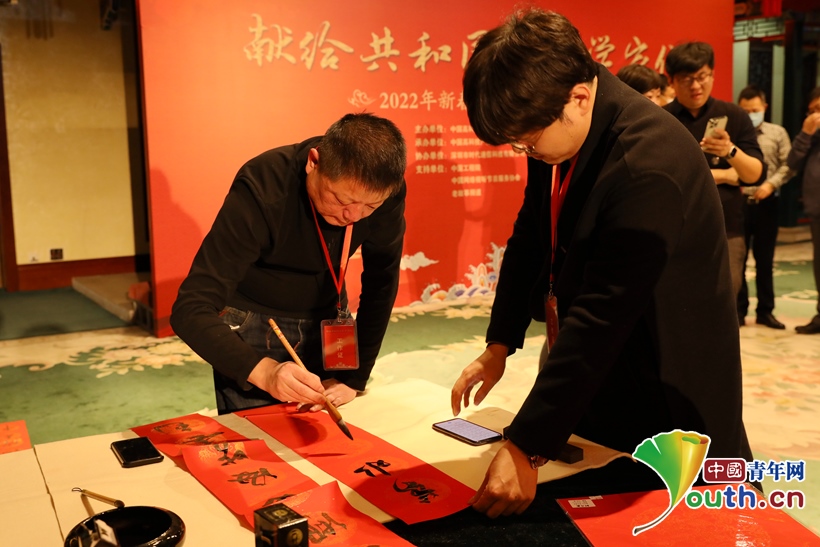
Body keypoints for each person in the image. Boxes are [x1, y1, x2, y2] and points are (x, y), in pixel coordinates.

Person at [450, 9, 754, 519]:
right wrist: (499, 343)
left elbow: (603, 315)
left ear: (578, 97)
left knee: (685, 517)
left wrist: (526, 445)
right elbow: (530, 236)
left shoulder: (648, 164)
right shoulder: (557, 124)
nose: (526, 151)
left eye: (528, 140)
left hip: (665, 381)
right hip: (605, 376)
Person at [170, 113, 407, 413]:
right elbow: (190, 308)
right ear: (313, 162)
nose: (353, 216)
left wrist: (355, 378)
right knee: (259, 433)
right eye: (341, 200)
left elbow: (382, 281)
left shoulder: (385, 191)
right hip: (255, 319)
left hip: (331, 314)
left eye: (370, 206)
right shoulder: (264, 184)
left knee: (331, 432)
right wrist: (264, 371)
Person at [664, 42, 766, 305]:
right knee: (677, 304)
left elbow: (755, 175)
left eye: (702, 76)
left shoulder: (734, 115)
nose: (696, 85)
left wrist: (730, 151)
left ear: (712, 75)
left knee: (724, 302)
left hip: (726, 228)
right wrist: (724, 175)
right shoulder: (661, 119)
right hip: (675, 230)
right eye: (687, 79)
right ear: (671, 81)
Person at [736, 86, 794, 329]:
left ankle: (765, 311)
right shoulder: (734, 132)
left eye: (755, 110)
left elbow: (789, 164)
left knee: (765, 259)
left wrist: (771, 184)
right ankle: (738, 310)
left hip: (767, 203)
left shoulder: (777, 132)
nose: (751, 114)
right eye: (746, 110)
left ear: (765, 108)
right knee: (737, 258)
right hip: (738, 202)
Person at [789, 87, 820, 334]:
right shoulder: (810, 138)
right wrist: (805, 134)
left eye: (819, 109)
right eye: (812, 111)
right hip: (817, 209)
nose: (815, 115)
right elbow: (792, 162)